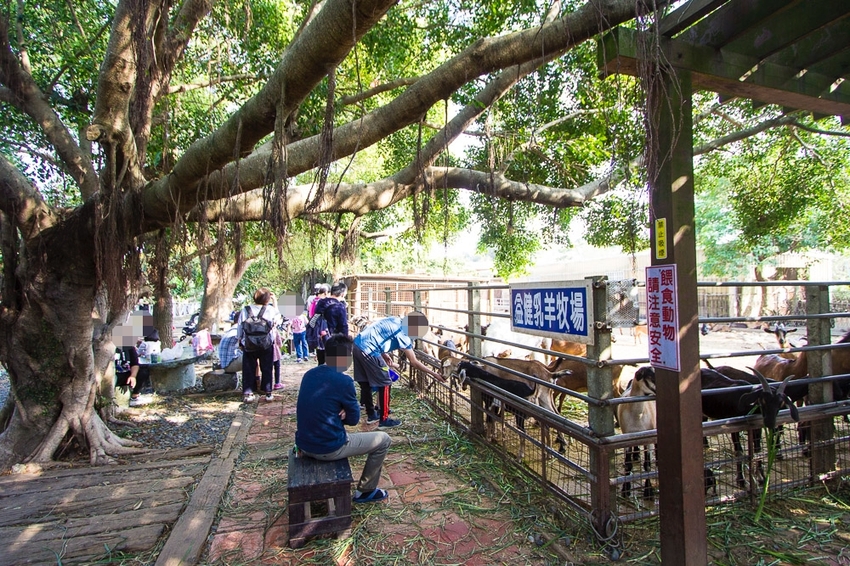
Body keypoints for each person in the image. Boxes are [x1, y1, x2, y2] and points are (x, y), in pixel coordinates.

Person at [295, 333, 392, 504]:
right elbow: (353, 420)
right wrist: (345, 412)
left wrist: (337, 410)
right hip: (327, 448)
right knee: (383, 440)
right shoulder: (344, 381)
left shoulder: (309, 374)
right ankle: (366, 491)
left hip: (303, 444)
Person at [353, 311, 444, 428]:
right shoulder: (404, 334)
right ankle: (384, 418)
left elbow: (378, 334)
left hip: (357, 344)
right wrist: (434, 374)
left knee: (365, 381)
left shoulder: (394, 320)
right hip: (370, 350)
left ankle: (372, 414)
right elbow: (414, 361)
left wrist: (383, 353)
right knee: (386, 382)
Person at [235, 288, 280, 402]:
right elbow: (277, 320)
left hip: (249, 343)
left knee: (248, 368)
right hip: (266, 343)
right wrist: (275, 302)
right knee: (267, 367)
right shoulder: (270, 310)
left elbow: (240, 326)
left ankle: (248, 393)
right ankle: (268, 392)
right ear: (267, 298)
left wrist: (240, 340)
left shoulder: (246, 310)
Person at [312, 281, 349, 365]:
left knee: (321, 365)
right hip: (334, 341)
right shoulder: (339, 306)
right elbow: (343, 326)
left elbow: (315, 319)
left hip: (321, 340)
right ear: (342, 294)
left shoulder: (320, 303)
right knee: (334, 367)